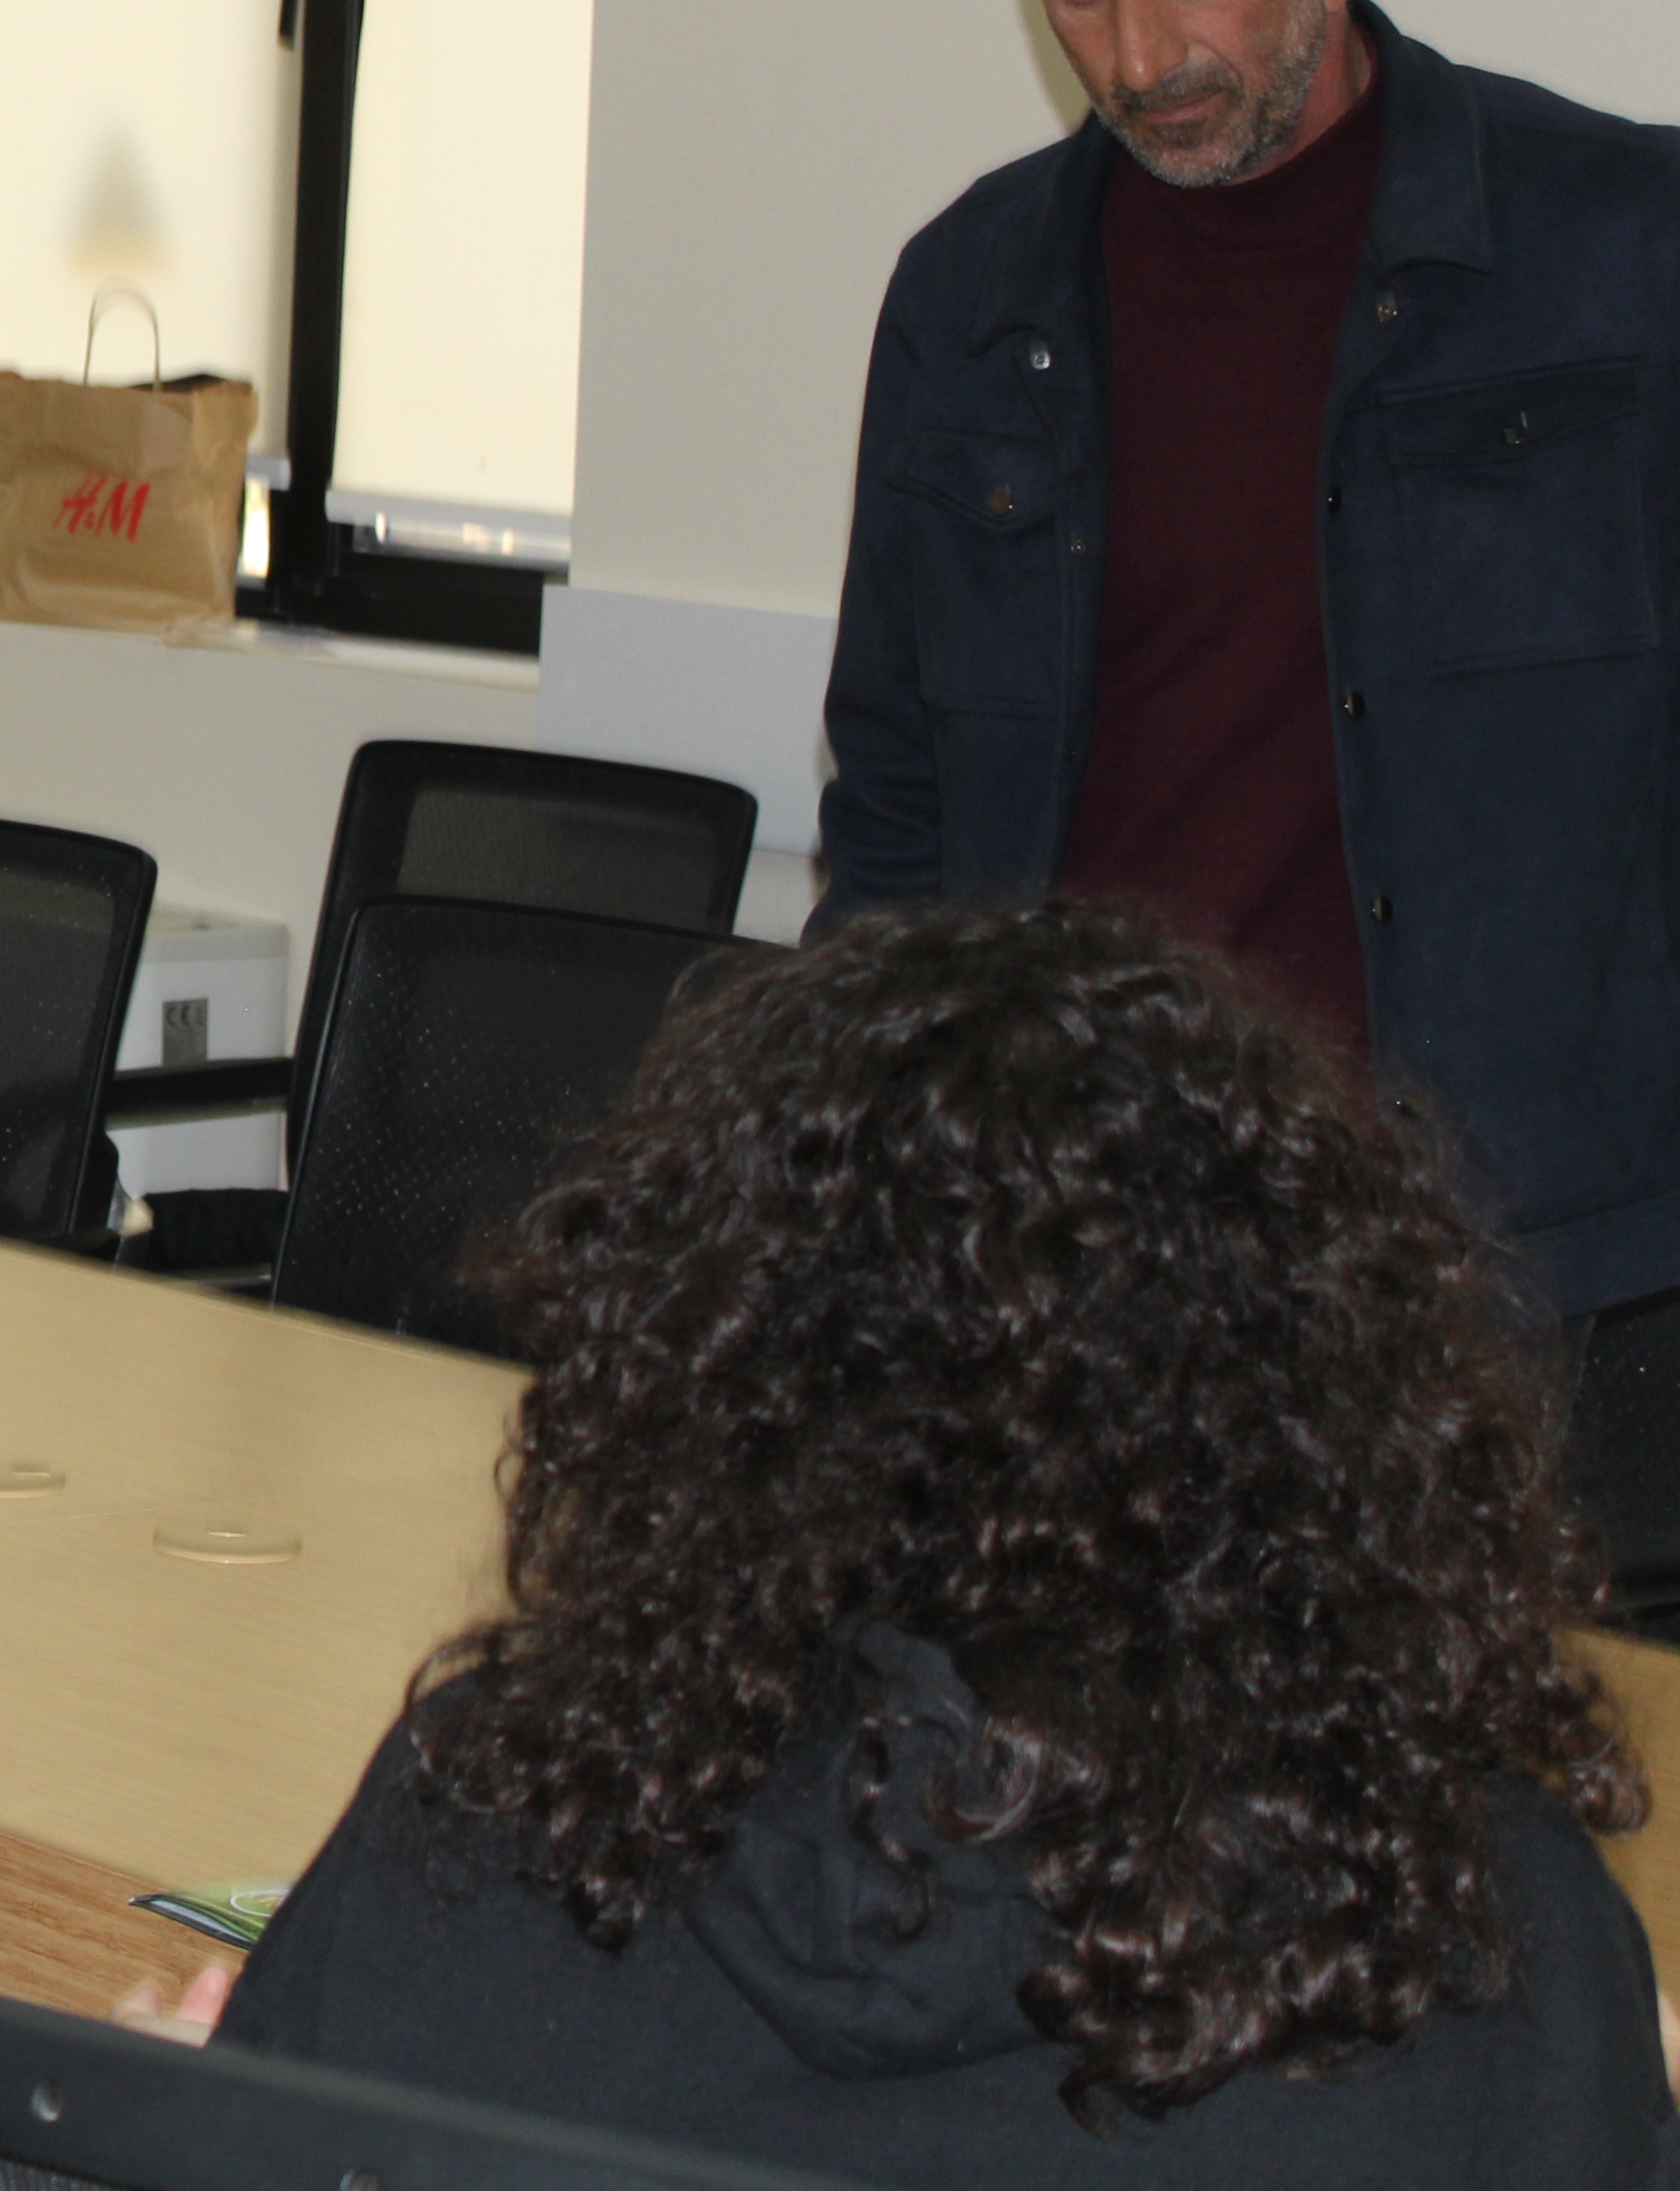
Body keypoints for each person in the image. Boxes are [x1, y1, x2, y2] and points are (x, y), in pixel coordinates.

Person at [199, 903, 1674, 2186]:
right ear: (1335, 1410)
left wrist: (162, 2133)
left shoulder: (481, 1824)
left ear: (712, 1382)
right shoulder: (1494, 1941)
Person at [814, 0, 1680, 1573]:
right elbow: (890, 795)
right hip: (1080, 1258)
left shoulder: (1618, 250)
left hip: (1522, 1271)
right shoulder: (969, 299)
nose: (1135, 53)